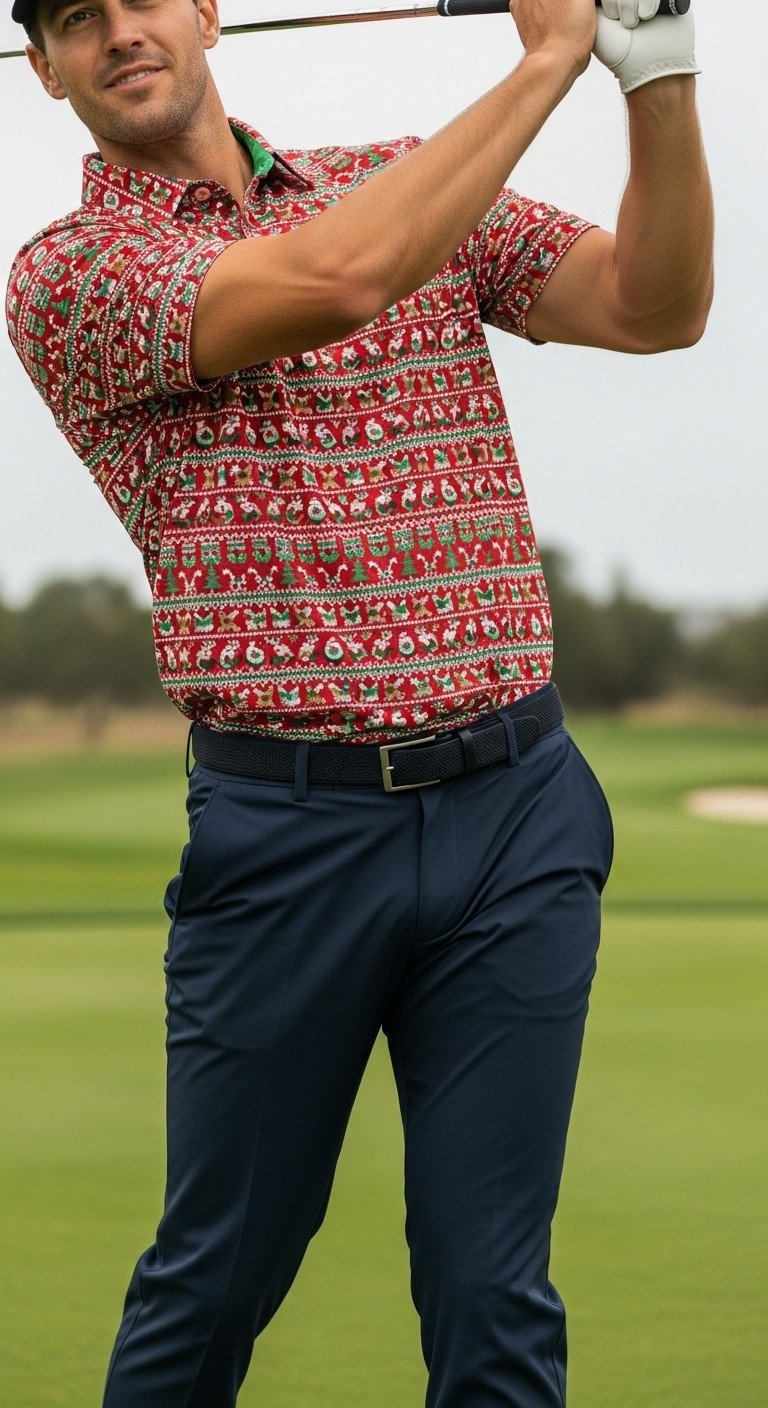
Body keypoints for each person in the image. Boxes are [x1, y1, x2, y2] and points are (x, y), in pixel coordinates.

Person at [5, 0, 713, 1404]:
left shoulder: (400, 177)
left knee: (491, 1288)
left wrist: (659, 75)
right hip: (287, 836)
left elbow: (655, 306)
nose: (118, 32)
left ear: (209, 11)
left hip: (518, 811)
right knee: (216, 1275)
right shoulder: (71, 276)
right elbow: (338, 280)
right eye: (76, 19)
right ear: (44, 66)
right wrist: (549, 56)